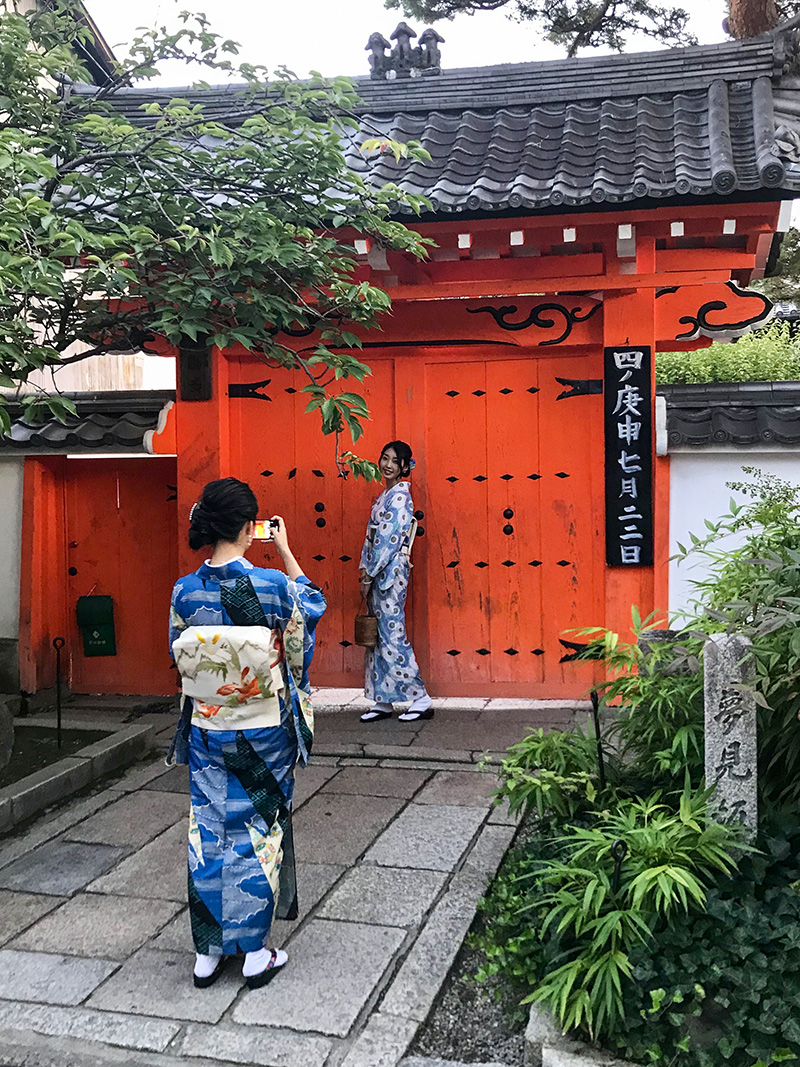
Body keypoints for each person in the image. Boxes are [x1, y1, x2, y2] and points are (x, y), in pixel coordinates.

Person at [169, 477, 325, 989]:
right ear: (247, 526)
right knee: (258, 833)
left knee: (208, 829)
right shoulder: (273, 586)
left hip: (207, 730)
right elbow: (302, 638)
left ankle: (207, 953)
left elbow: (180, 656)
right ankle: (254, 953)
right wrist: (285, 551)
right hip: (263, 733)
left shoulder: (184, 591)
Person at [358, 441, 433, 723]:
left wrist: (369, 572)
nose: (388, 464)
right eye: (385, 458)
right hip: (378, 571)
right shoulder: (385, 496)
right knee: (378, 635)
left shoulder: (399, 498)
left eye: (394, 460)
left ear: (404, 467)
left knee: (392, 633)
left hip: (390, 571)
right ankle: (384, 699)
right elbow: (372, 537)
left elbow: (387, 541)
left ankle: (420, 697)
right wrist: (364, 569)